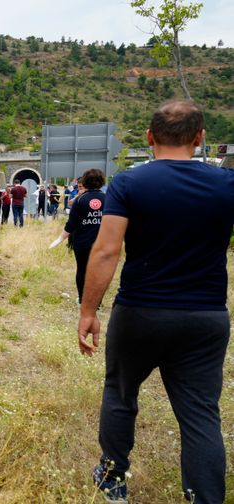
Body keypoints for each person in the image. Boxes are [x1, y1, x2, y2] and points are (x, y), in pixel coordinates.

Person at [78, 100, 234, 504]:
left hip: (140, 313)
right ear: (200, 139)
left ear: (149, 138)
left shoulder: (129, 184)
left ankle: (112, 480)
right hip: (205, 317)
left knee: (121, 394)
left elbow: (106, 252)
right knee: (201, 415)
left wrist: (88, 311)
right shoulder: (227, 185)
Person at [52, 169, 105, 303]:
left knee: (82, 269)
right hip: (102, 243)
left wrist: (60, 239)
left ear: (85, 182)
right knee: (99, 272)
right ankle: (97, 302)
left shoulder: (80, 200)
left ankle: (83, 299)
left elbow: (71, 224)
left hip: (82, 242)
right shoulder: (107, 198)